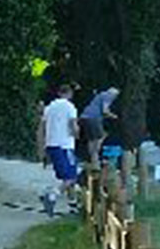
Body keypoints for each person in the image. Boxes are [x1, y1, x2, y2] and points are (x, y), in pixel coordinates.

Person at [40, 82, 80, 215]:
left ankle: (73, 204)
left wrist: (42, 148)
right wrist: (77, 134)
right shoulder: (70, 107)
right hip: (65, 145)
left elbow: (42, 128)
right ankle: (52, 195)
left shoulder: (49, 107)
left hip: (51, 144)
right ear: (70, 94)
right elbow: (73, 126)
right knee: (72, 177)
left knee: (67, 176)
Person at [79, 85, 119, 163]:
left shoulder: (101, 94)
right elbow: (105, 111)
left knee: (91, 139)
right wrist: (115, 117)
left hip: (85, 117)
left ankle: (92, 158)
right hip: (93, 118)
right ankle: (95, 156)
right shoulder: (108, 96)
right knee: (100, 137)